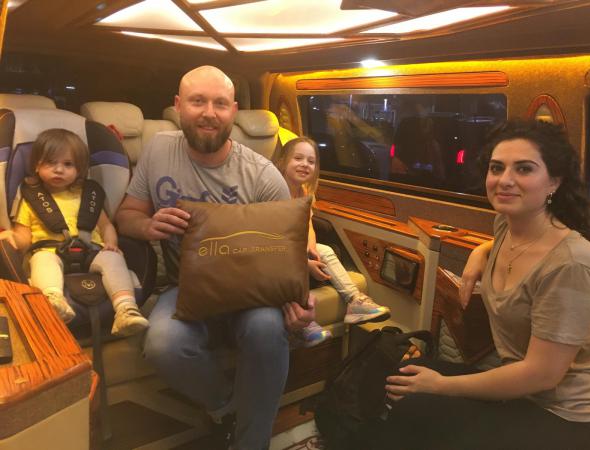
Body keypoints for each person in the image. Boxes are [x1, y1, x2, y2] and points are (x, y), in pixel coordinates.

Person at [114, 66, 315, 450]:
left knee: (266, 329)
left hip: (252, 294)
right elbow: (127, 215)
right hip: (185, 286)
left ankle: (251, 443)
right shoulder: (158, 150)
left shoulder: (263, 176)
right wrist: (148, 225)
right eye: (197, 101)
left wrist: (301, 305)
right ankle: (230, 408)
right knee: (162, 344)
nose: (209, 113)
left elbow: (287, 256)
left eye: (220, 104)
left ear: (233, 112)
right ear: (178, 106)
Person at [375, 120, 590, 450]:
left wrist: (441, 385)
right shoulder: (507, 225)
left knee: (417, 405)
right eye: (497, 168)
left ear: (554, 181)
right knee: (408, 371)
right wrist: (480, 252)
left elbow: (543, 375)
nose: (505, 180)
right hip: (523, 393)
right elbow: (509, 244)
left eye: (524, 168)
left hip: (566, 413)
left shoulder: (572, 263)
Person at [0, 128, 148, 336]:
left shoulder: (89, 196)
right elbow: (24, 236)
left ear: (80, 169)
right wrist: (11, 238)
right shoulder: (30, 199)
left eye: (68, 164)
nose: (59, 170)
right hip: (51, 253)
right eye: (50, 163)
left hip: (92, 252)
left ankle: (126, 309)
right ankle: (54, 302)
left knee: (113, 258)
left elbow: (106, 226)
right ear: (37, 166)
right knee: (41, 259)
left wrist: (111, 244)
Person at [274, 137, 390, 347]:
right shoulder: (275, 192)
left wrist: (311, 249)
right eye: (298, 158)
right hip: (277, 251)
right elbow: (276, 239)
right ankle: (302, 324)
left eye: (311, 161)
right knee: (284, 270)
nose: (305, 164)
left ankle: (355, 301)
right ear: (283, 161)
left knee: (325, 250)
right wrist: (303, 262)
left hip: (296, 247)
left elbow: (308, 225)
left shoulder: (305, 192)